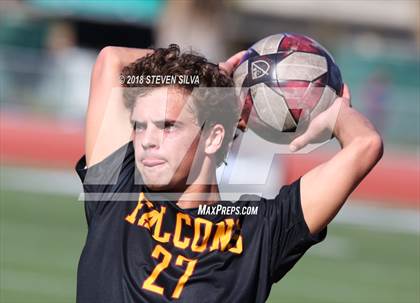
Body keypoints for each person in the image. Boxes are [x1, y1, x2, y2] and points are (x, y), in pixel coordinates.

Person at [75, 44, 383, 303]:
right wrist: (210, 74)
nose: (147, 140)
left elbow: (365, 145)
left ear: (213, 136)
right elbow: (111, 60)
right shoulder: (116, 190)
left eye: (168, 125)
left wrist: (336, 112)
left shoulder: (261, 230)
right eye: (140, 126)